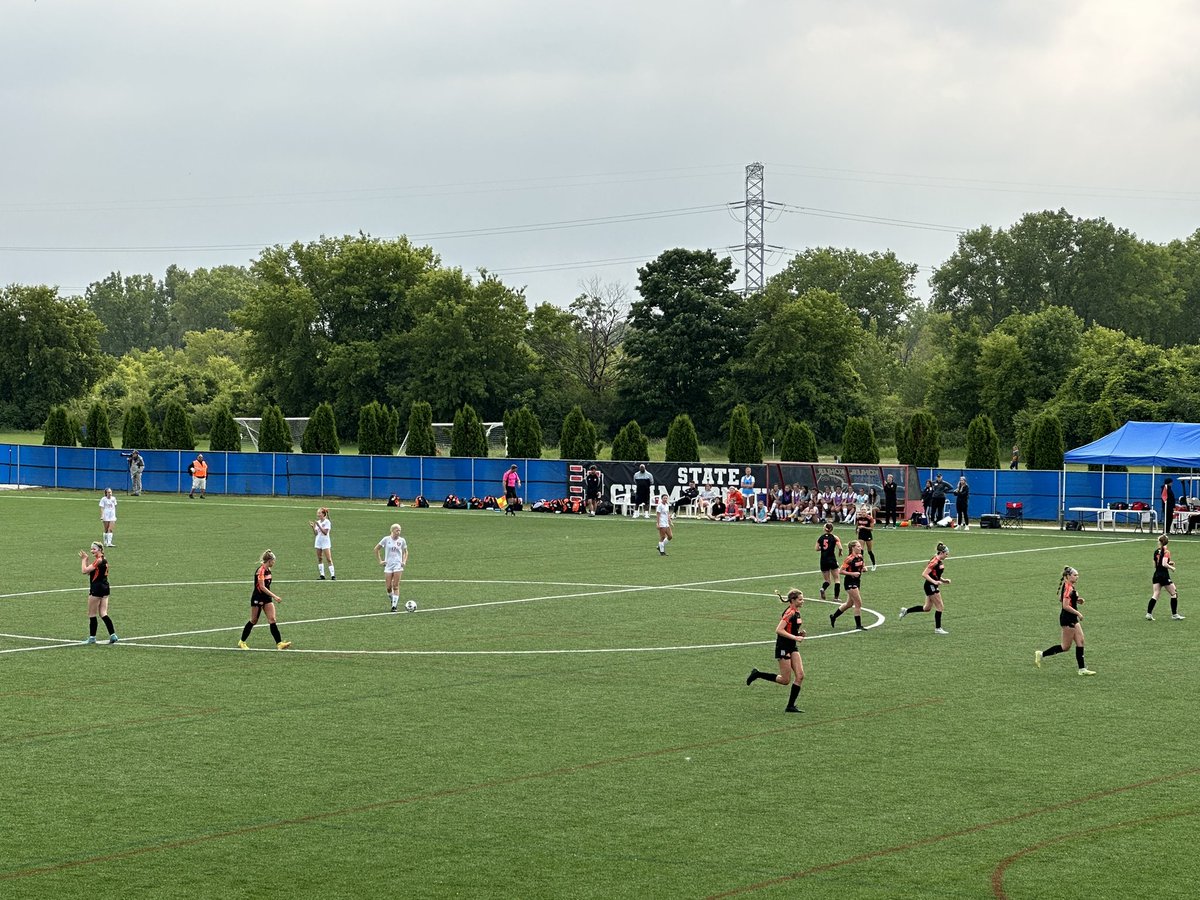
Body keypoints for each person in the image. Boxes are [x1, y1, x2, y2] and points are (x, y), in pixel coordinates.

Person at [745, 589, 806, 713]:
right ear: (793, 600)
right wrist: (795, 637)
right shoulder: (790, 613)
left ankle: (790, 706)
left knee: (800, 676)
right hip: (783, 647)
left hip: (792, 645)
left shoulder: (797, 612)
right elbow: (779, 630)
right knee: (785, 680)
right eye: (800, 599)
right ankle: (757, 674)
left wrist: (799, 633)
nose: (802, 601)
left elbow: (789, 630)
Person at [1034, 566, 1095, 675]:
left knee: (1080, 641)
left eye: (1077, 575)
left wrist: (1077, 600)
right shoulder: (1068, 588)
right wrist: (1078, 613)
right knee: (1065, 647)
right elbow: (1065, 605)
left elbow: (1061, 599)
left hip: (1072, 618)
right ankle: (1041, 654)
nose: (1077, 577)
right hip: (1067, 618)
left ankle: (1082, 669)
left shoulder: (1069, 586)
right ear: (1068, 576)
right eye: (1075, 575)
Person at [238, 550, 291, 650]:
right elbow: (262, 587)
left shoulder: (268, 569)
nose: (274, 563)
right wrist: (275, 596)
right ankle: (242, 641)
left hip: (266, 598)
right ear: (269, 561)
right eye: (273, 561)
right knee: (254, 620)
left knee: (272, 619)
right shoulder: (261, 571)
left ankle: (279, 643)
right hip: (257, 598)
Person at [899, 542, 952, 634]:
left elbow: (935, 574)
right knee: (940, 607)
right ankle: (938, 629)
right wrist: (935, 582)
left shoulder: (939, 561)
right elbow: (924, 574)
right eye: (946, 554)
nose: (947, 555)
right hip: (930, 586)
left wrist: (943, 580)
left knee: (927, 608)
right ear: (941, 553)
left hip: (932, 585)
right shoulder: (934, 562)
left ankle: (906, 611)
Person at [79, 542, 118, 644]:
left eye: (94, 549)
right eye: (91, 549)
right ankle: (113, 635)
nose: (92, 551)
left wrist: (84, 560)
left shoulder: (99, 561)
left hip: (96, 588)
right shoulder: (103, 560)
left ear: (100, 549)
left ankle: (92, 637)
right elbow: (90, 572)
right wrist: (87, 562)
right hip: (105, 588)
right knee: (103, 613)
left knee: (92, 613)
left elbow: (84, 571)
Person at [830, 541, 868, 632]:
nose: (860, 548)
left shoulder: (860, 557)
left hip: (857, 581)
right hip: (850, 582)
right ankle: (858, 626)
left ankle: (833, 616)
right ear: (853, 548)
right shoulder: (849, 559)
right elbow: (841, 571)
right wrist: (852, 573)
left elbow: (862, 567)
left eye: (860, 546)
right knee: (858, 603)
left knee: (849, 604)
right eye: (858, 546)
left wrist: (864, 569)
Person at [1147, 534, 1184, 621]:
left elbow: (1156, 565)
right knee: (1174, 593)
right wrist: (1171, 567)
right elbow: (1164, 564)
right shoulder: (1166, 552)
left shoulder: (1156, 551)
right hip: (1164, 575)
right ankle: (1174, 614)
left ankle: (1149, 613)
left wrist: (1169, 562)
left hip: (1156, 574)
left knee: (1156, 594)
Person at [375, 523, 409, 612]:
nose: (399, 532)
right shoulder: (386, 539)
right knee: (388, 587)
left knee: (396, 586)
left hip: (398, 565)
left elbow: (405, 551)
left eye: (400, 530)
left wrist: (404, 561)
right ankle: (392, 599)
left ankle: (394, 606)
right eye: (397, 530)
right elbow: (376, 549)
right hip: (388, 566)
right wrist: (380, 561)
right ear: (392, 530)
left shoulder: (402, 540)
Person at [815, 522, 843, 602]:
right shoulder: (835, 537)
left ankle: (822, 588)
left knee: (827, 580)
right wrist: (840, 552)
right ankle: (836, 597)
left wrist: (823, 549)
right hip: (832, 559)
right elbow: (840, 547)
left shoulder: (820, 538)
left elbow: (816, 548)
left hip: (823, 560)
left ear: (825, 529)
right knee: (837, 579)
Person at [310, 507, 334, 580]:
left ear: (323, 514)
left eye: (319, 513)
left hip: (325, 542)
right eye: (318, 513)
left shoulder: (327, 522)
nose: (318, 514)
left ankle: (333, 575)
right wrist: (313, 527)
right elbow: (316, 534)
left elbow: (325, 533)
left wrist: (318, 525)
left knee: (329, 559)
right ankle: (322, 575)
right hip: (318, 541)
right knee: (320, 558)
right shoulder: (318, 522)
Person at [855, 504, 877, 570]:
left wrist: (863, 527)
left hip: (868, 535)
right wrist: (857, 530)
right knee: (861, 550)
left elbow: (871, 529)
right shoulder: (858, 517)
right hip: (861, 534)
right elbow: (857, 525)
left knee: (869, 551)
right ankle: (862, 565)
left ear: (866, 511)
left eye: (864, 510)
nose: (863, 512)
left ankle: (874, 564)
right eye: (862, 510)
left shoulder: (870, 518)